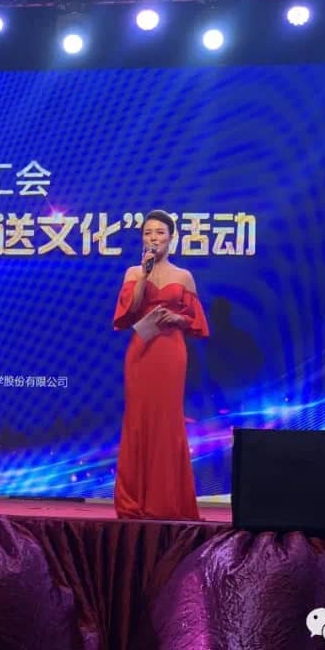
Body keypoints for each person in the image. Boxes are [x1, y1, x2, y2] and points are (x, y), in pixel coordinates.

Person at [111, 210, 209, 520]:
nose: (154, 238)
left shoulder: (184, 276)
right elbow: (127, 312)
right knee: (138, 421)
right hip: (141, 352)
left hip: (170, 352)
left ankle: (166, 501)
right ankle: (134, 500)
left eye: (160, 233)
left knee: (167, 422)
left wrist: (178, 318)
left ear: (171, 237)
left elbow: (197, 322)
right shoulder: (133, 272)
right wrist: (144, 274)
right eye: (148, 233)